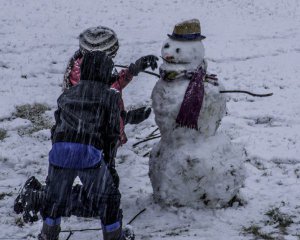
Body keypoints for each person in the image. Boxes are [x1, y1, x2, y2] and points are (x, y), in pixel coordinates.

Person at [14, 27, 159, 240]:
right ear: (103, 73)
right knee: (107, 198)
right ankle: (114, 236)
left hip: (60, 151)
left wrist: (57, 155)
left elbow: (57, 126)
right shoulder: (108, 96)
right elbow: (111, 132)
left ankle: (48, 234)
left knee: (55, 199)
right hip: (88, 153)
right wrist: (108, 163)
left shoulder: (68, 94)